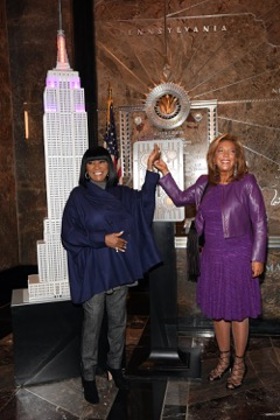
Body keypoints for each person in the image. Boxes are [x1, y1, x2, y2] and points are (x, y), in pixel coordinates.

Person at [153, 133, 267, 390]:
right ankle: (223, 359)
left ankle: (239, 362)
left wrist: (258, 257)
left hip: (239, 256)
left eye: (230, 152)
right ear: (213, 157)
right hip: (213, 257)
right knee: (218, 312)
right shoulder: (205, 183)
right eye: (220, 152)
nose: (225, 156)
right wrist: (164, 171)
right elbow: (182, 198)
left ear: (237, 157)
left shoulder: (247, 183)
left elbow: (260, 222)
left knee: (238, 313)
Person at [61, 145, 161, 404]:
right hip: (94, 270)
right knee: (92, 325)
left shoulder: (122, 194)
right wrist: (101, 239)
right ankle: (88, 376)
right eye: (92, 164)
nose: (97, 168)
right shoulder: (78, 197)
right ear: (85, 169)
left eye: (102, 163)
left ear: (109, 167)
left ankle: (115, 368)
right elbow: (69, 235)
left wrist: (150, 170)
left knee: (118, 321)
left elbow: (144, 205)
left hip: (119, 269)